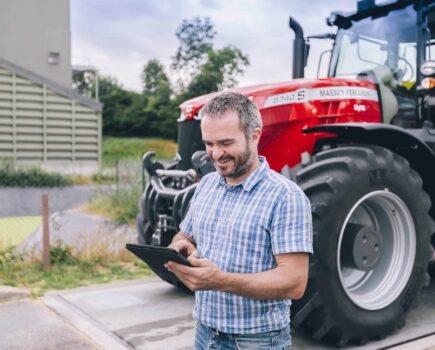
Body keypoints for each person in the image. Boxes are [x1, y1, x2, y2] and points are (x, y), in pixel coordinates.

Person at [166, 91, 313, 349]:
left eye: (225, 143)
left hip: (256, 342)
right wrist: (181, 246)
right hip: (205, 333)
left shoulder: (286, 196)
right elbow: (184, 234)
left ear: (254, 135)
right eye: (209, 144)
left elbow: (294, 282)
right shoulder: (207, 185)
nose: (215, 154)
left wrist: (219, 280)